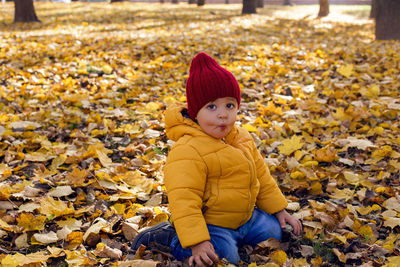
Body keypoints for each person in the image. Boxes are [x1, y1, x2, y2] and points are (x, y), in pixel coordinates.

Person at [132, 52, 302, 266]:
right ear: (195, 113)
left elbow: (262, 178)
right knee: (222, 258)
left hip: (245, 219)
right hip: (210, 225)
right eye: (212, 107)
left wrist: (279, 210)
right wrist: (198, 241)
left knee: (274, 233)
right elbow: (184, 200)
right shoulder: (188, 150)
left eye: (229, 105)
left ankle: (239, 235)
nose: (223, 114)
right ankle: (172, 238)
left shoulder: (242, 138)